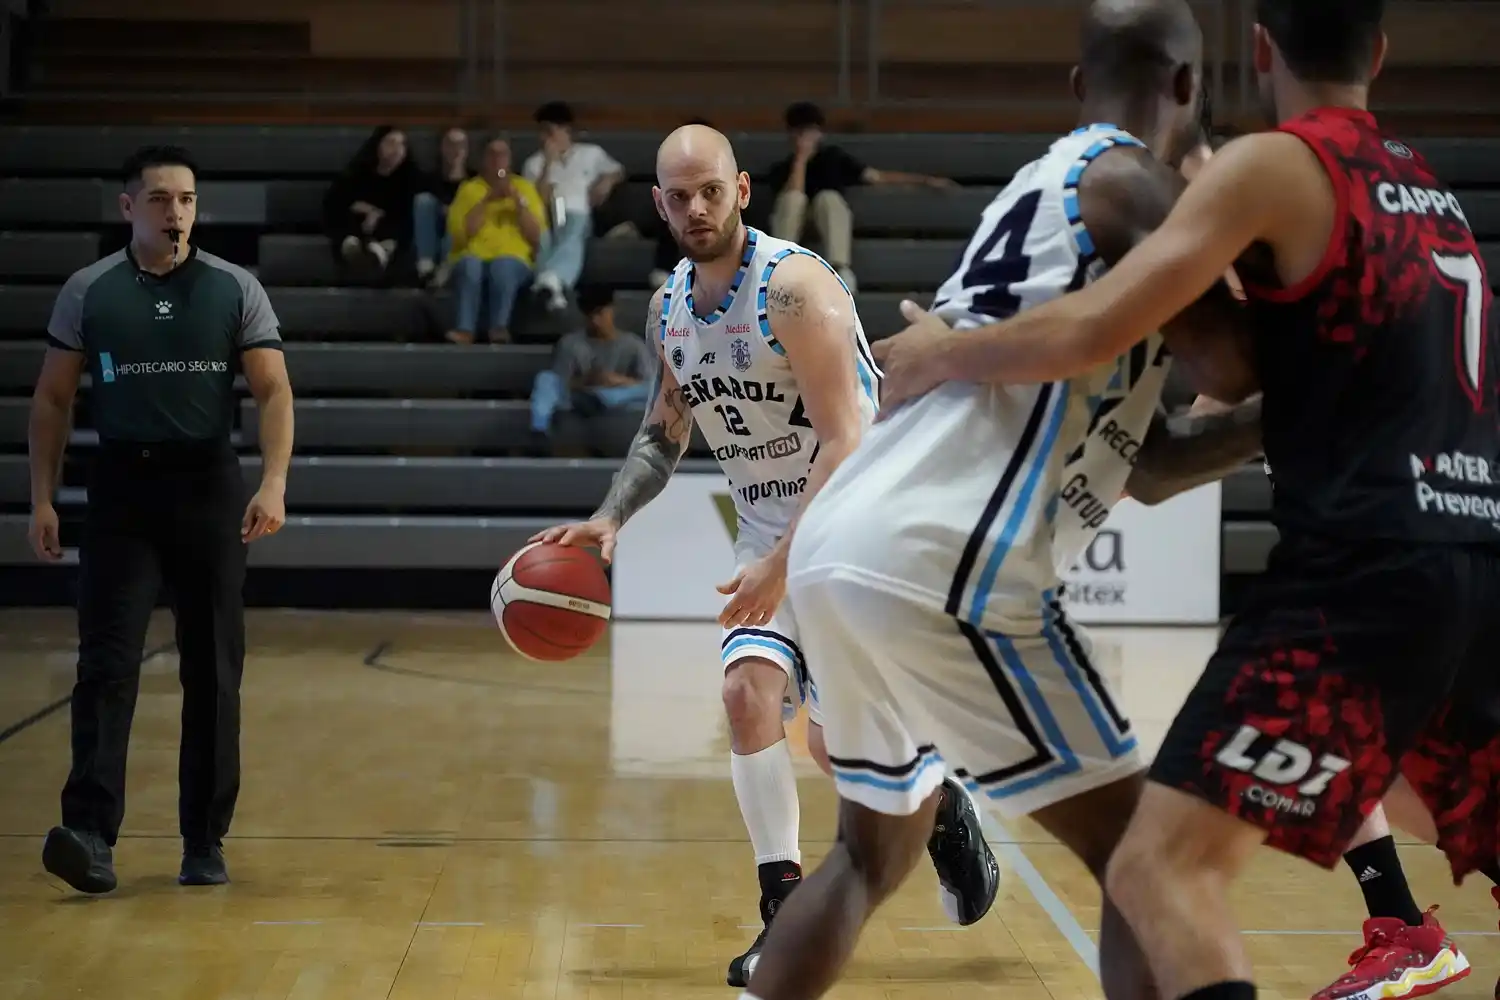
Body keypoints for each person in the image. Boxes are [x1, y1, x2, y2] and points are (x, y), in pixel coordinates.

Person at [871, 4, 1500, 1000]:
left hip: (1361, 572)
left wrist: (941, 353)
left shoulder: (1279, 164)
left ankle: (1399, 927)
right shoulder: (1432, 189)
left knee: (1157, 869)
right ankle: (1401, 925)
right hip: (1474, 556)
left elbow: (1095, 324)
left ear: (1256, 53)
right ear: (1380, 53)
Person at [735, 2, 1259, 997]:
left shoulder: (1037, 196)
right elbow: (1236, 360)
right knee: (1146, 862)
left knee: (867, 859)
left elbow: (1149, 466)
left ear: (1074, 84)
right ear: (1188, 88)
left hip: (848, 536)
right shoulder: (1129, 178)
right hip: (945, 554)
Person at [530, 123, 999, 989]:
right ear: (661, 204)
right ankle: (782, 919)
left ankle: (944, 813)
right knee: (747, 696)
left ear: (743, 189)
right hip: (770, 530)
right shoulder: (669, 305)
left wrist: (782, 564)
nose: (696, 208)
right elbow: (662, 434)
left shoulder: (795, 289)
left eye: (711, 190)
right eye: (678, 196)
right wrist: (609, 518)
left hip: (860, 526)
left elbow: (846, 437)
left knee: (835, 750)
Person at [1136, 102, 1472, 1000]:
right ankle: (1403, 926)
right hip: (1438, 528)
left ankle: (1404, 926)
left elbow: (1203, 415)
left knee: (1171, 851)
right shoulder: (1391, 215)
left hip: (1391, 544)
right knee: (1391, 773)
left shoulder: (1268, 227)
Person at [27, 144, 294, 893]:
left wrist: (272, 482)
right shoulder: (89, 291)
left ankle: (203, 840)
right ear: (127, 208)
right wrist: (42, 497)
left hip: (207, 486)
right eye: (159, 199)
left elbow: (274, 392)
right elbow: (52, 400)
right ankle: (88, 834)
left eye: (186, 200)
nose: (175, 212)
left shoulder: (236, 288)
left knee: (213, 671)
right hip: (122, 491)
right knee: (105, 664)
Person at [521, 101, 627, 310]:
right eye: (541, 132)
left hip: (579, 210)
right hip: (548, 212)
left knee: (572, 223)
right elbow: (538, 199)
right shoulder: (533, 163)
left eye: (549, 131)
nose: (544, 138)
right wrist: (548, 165)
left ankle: (548, 281)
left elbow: (618, 170)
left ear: (565, 130)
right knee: (546, 234)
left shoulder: (591, 153)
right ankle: (554, 284)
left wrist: (606, 181)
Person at [444, 135, 548, 345]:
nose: (497, 159)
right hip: (473, 254)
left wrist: (520, 206)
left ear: (510, 159)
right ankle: (465, 330)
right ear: (483, 159)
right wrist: (487, 200)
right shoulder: (469, 189)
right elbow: (462, 235)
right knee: (470, 265)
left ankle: (499, 328)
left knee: (503, 265)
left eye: (502, 154)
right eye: (492, 154)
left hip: (514, 258)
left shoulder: (525, 188)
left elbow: (536, 237)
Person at [528, 285, 654, 448]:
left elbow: (649, 384)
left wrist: (616, 381)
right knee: (545, 378)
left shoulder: (633, 344)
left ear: (612, 310)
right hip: (579, 397)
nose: (595, 321)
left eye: (600, 313)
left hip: (619, 399)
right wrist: (588, 380)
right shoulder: (570, 343)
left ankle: (602, 398)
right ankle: (539, 430)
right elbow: (562, 382)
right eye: (590, 315)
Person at [322, 125, 424, 277]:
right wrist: (365, 210)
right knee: (344, 218)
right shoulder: (357, 173)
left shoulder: (411, 178)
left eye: (402, 144)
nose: (396, 149)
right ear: (377, 145)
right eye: (391, 143)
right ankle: (352, 249)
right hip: (357, 227)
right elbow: (334, 202)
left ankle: (380, 253)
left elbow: (406, 213)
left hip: (389, 232)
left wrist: (378, 216)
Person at [413, 126, 475, 288]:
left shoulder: (474, 181)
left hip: (458, 236)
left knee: (459, 215)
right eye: (451, 144)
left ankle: (446, 267)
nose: (456, 150)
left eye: (460, 144)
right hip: (433, 231)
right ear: (442, 148)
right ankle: (426, 266)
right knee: (423, 200)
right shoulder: (429, 179)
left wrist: (453, 212)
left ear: (466, 150)